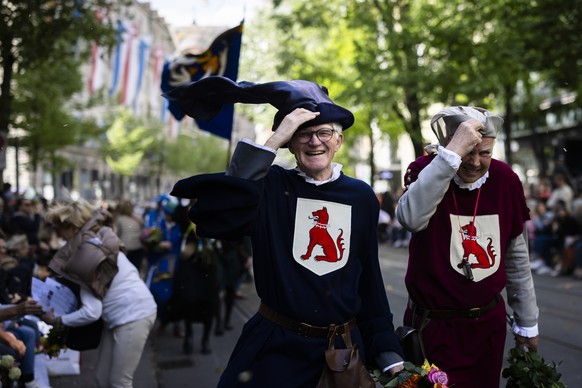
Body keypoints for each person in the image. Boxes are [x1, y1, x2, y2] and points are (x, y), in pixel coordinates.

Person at [165, 76, 405, 387]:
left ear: (339, 141)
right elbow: (223, 215)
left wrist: (386, 347)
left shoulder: (360, 195)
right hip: (276, 349)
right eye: (302, 134)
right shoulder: (271, 186)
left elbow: (368, 277)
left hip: (343, 352)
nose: (315, 141)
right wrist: (274, 138)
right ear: (289, 143)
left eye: (324, 133)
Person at [396, 106, 539, 387]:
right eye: (467, 151)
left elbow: (516, 256)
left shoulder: (505, 179)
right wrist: (448, 159)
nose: (475, 162)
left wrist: (528, 321)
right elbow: (411, 218)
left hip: (487, 329)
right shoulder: (426, 170)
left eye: (484, 152)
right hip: (432, 328)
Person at [42, 200, 157, 388]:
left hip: (133, 315)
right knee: (103, 380)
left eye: (58, 229)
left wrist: (58, 321)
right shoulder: (97, 240)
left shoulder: (85, 256)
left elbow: (91, 312)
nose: (59, 235)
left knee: (120, 382)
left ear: (70, 228)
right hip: (126, 314)